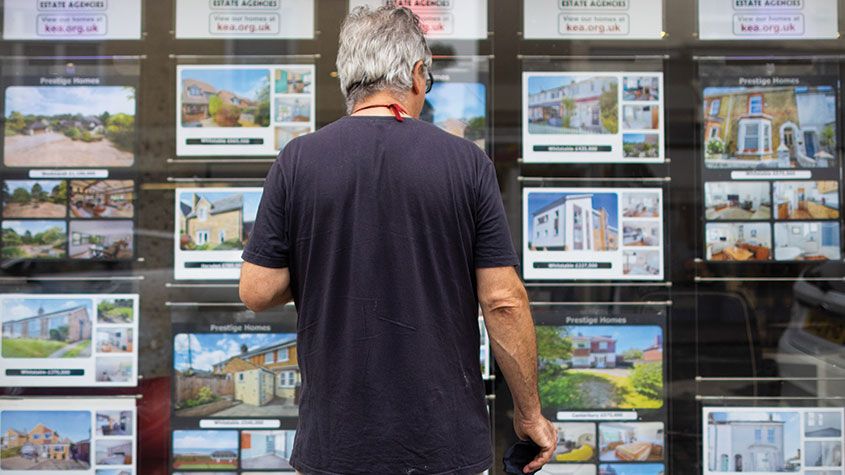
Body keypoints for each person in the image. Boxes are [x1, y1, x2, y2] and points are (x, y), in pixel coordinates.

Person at [239, 5, 557, 474]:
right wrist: (529, 414)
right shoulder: (466, 163)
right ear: (415, 75)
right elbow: (504, 302)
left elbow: (257, 291)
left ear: (349, 80)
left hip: (337, 446)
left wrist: (322, 260)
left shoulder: (298, 160)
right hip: (443, 446)